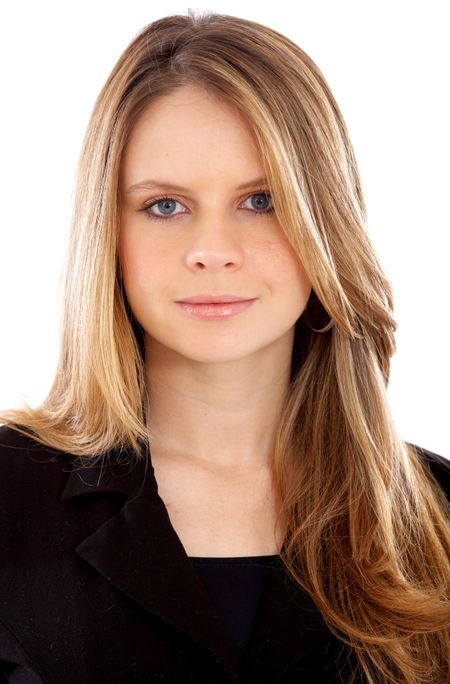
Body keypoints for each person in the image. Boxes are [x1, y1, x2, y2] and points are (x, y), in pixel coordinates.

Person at [0, 10, 449, 684]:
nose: (213, 252)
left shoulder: (437, 514)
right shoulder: (9, 500)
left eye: (261, 200)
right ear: (109, 233)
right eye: (164, 206)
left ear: (324, 220)